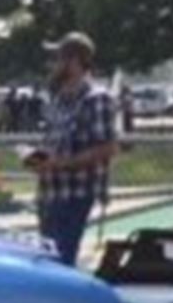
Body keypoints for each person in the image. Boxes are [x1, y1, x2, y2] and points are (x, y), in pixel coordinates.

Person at [24, 32, 118, 267]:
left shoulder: (97, 99)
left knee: (61, 259)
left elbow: (107, 148)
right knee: (46, 259)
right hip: (49, 193)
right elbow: (53, 142)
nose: (53, 65)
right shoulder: (58, 99)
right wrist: (36, 159)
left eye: (58, 59)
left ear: (74, 62)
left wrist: (60, 163)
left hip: (74, 194)